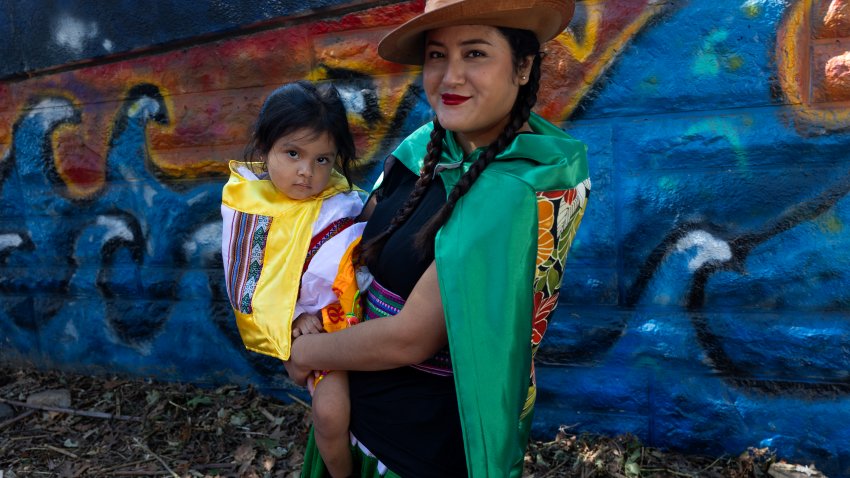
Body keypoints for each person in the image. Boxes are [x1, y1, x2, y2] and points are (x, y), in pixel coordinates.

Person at [286, 0, 590, 475]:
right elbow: (349, 249)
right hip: (347, 413)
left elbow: (410, 338)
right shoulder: (424, 147)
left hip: (411, 447)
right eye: (436, 55)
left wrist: (302, 352)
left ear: (524, 65)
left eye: (475, 54)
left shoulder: (515, 190)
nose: (450, 77)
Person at [220, 80, 364, 478]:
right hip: (319, 335)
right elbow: (249, 283)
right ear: (265, 147)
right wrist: (293, 318)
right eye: (293, 153)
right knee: (331, 414)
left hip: (370, 321)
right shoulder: (249, 210)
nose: (307, 172)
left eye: (323, 159)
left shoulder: (345, 201)